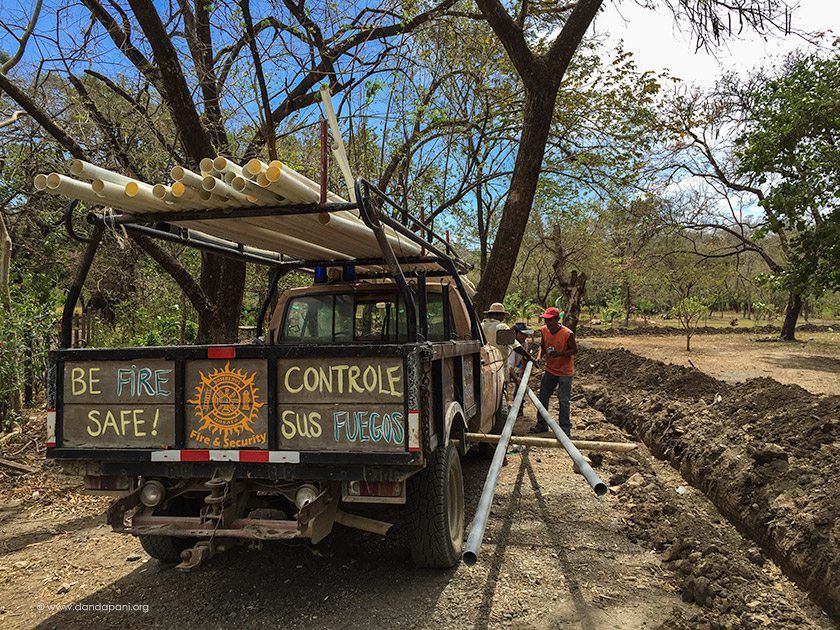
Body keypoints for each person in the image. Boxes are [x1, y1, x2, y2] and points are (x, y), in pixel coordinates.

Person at [531, 306, 577, 436]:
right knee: (543, 397)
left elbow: (574, 350)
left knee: (563, 399)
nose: (548, 323)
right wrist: (539, 357)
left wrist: (560, 354)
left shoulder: (567, 333)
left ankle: (564, 429)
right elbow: (542, 346)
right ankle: (541, 424)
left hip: (564, 372)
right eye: (546, 320)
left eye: (550, 320)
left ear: (557, 319)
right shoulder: (544, 330)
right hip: (550, 369)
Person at [481, 303, 535, 383]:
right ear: (499, 315)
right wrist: (529, 356)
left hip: (484, 368)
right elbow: (516, 347)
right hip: (500, 369)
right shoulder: (502, 327)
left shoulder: (481, 326)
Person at [508, 322, 533, 415]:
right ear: (515, 333)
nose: (524, 337)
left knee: (520, 388)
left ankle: (518, 409)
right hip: (503, 368)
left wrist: (522, 372)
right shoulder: (511, 345)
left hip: (514, 367)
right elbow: (508, 366)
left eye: (525, 334)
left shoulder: (524, 343)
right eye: (521, 334)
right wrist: (516, 378)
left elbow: (523, 358)